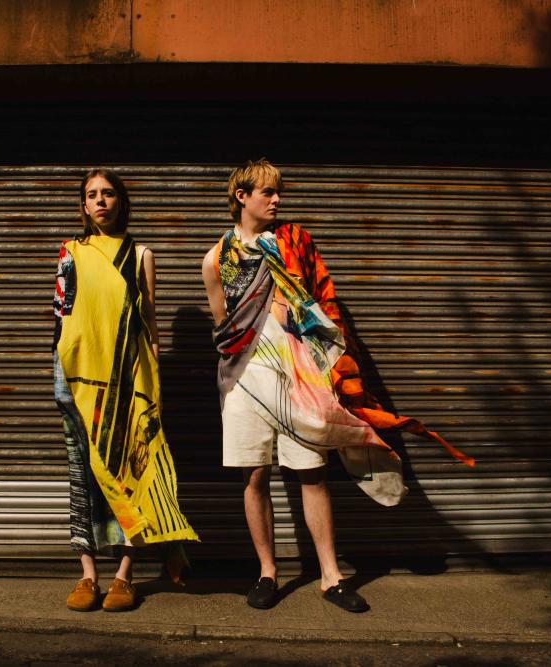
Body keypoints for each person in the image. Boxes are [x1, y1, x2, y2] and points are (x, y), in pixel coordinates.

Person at [201, 159, 473, 613]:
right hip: (245, 378)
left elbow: (323, 304)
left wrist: (325, 358)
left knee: (312, 472)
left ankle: (330, 576)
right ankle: (267, 572)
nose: (276, 200)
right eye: (267, 192)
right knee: (254, 476)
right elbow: (223, 327)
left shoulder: (295, 241)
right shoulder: (215, 259)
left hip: (301, 374)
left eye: (277, 192)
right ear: (242, 196)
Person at [54, 168, 198, 613]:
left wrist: (151, 384)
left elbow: (150, 324)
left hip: (128, 383)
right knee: (84, 474)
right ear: (83, 205)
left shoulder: (141, 254)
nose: (100, 201)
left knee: (131, 473)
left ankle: (124, 575)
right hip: (76, 379)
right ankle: (87, 574)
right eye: (92, 195)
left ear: (121, 201)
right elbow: (61, 316)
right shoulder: (70, 252)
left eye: (108, 193)